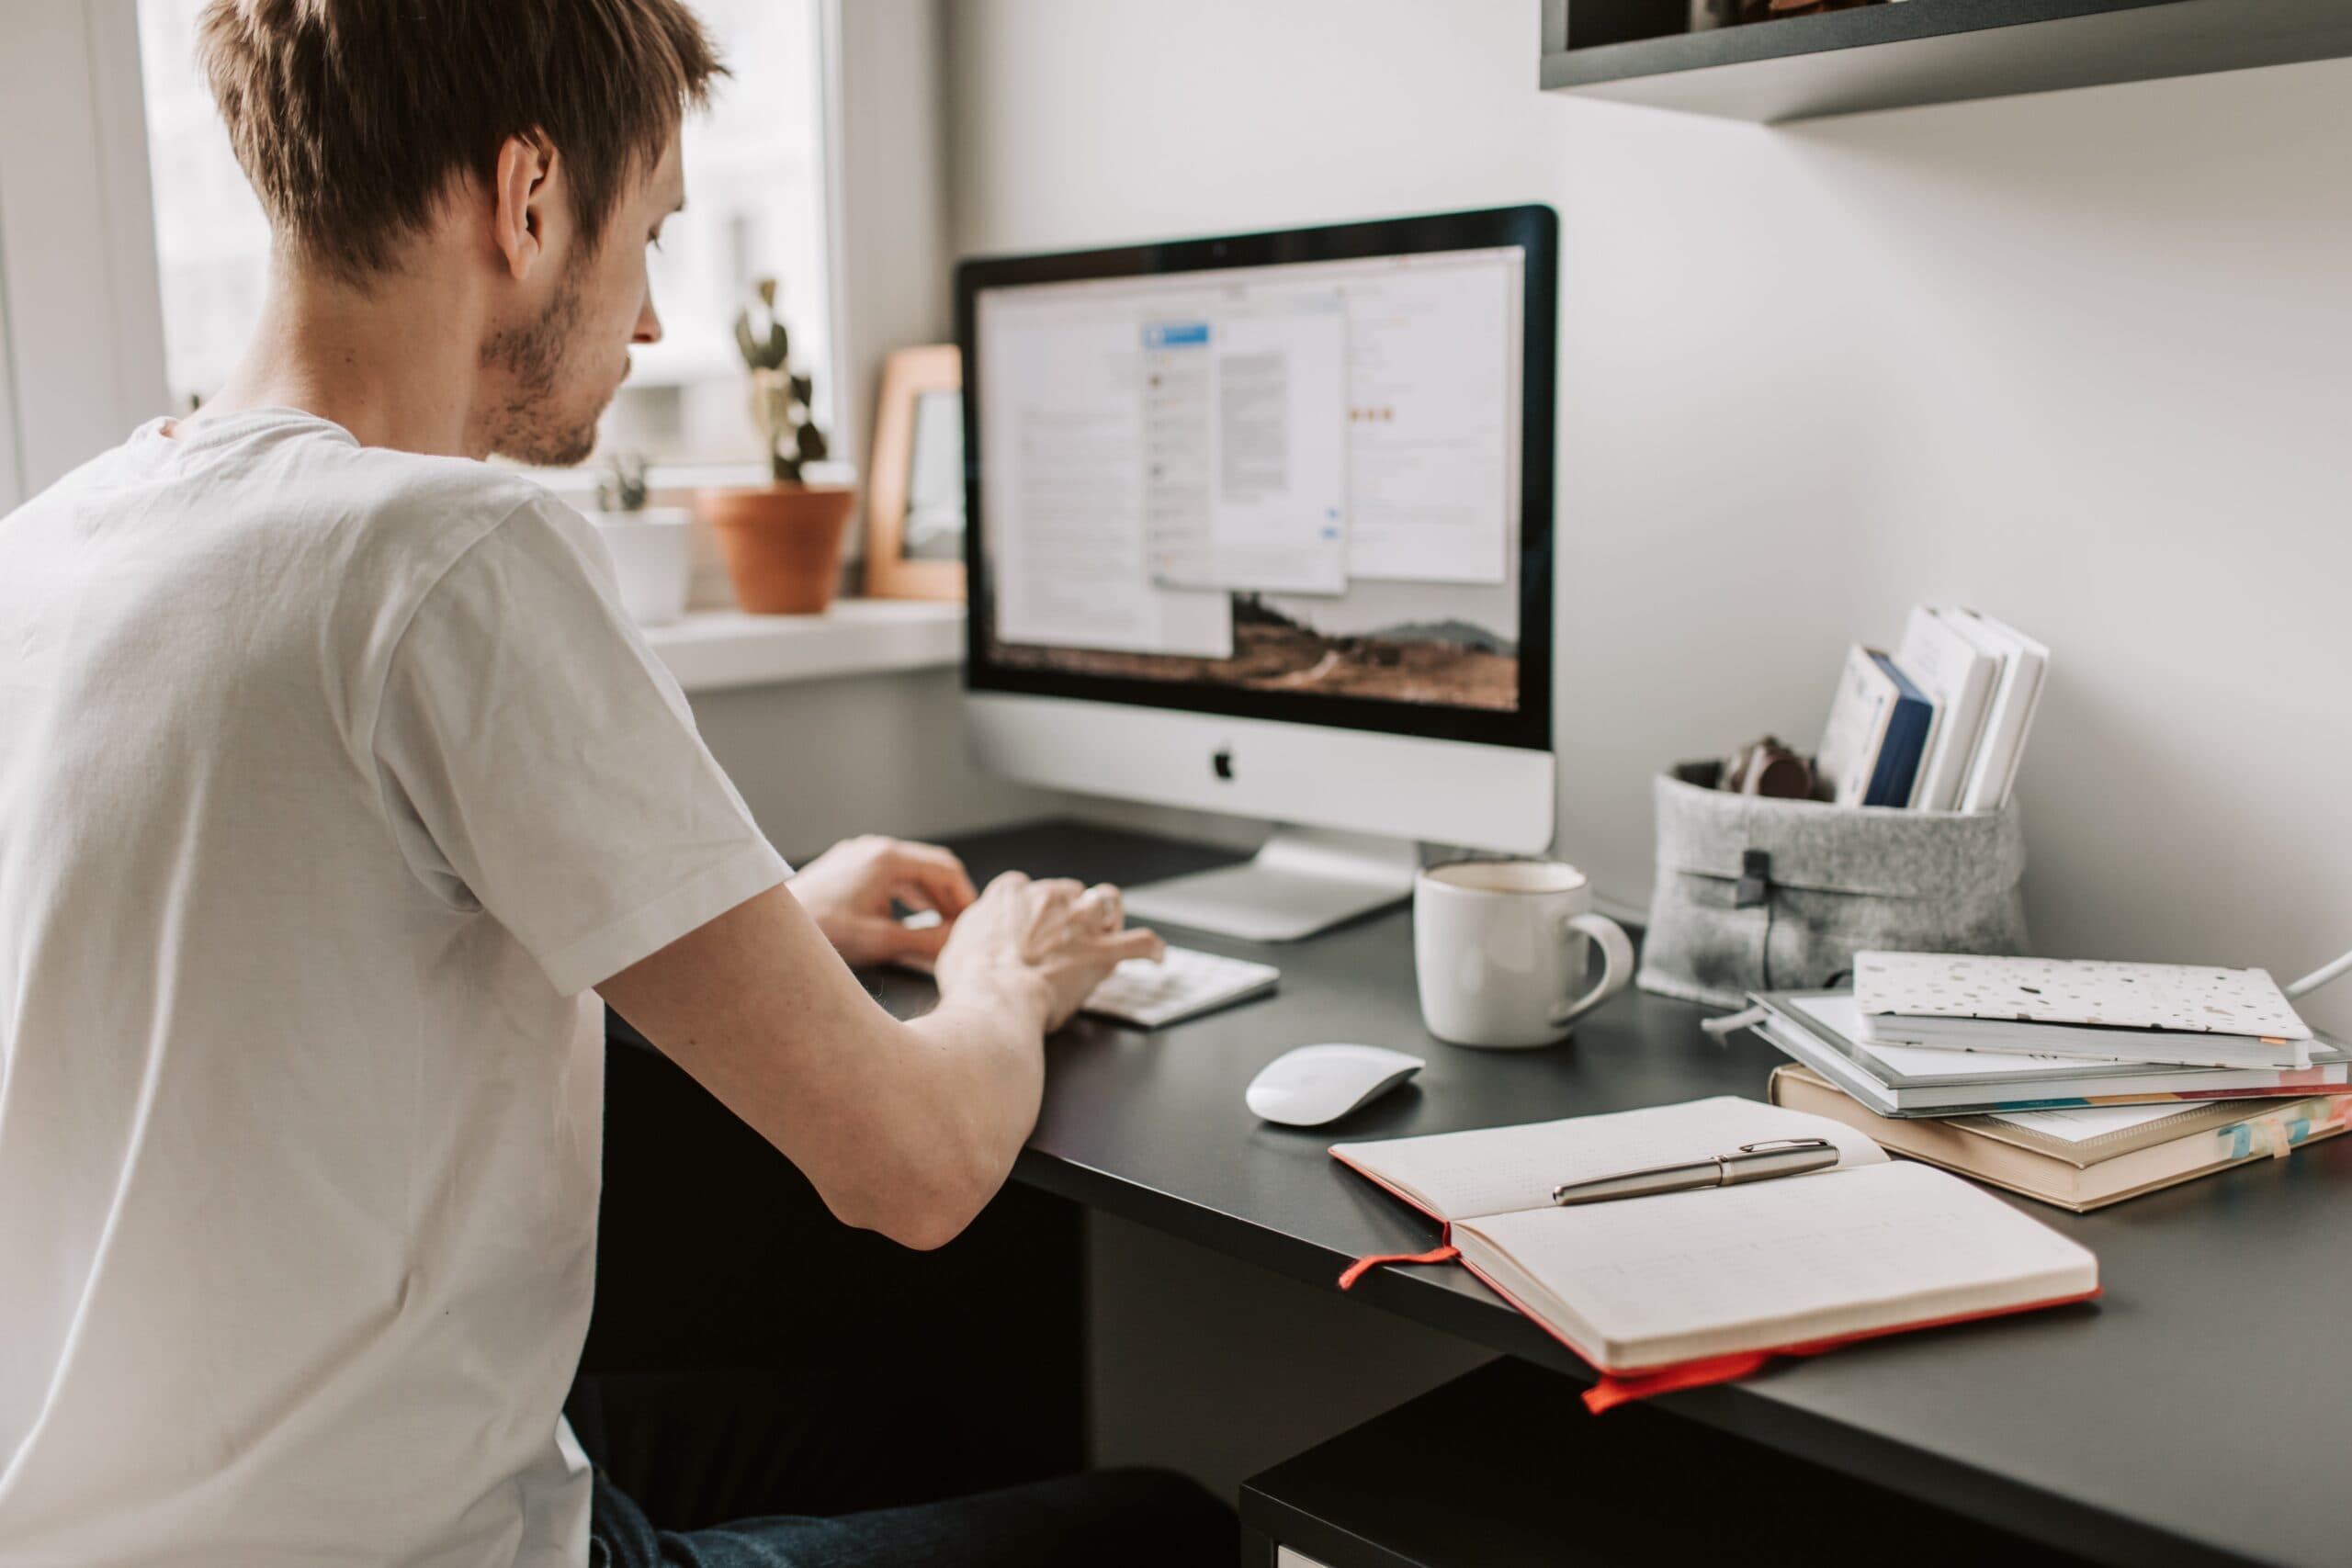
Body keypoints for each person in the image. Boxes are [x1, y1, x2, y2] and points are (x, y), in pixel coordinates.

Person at [0, 3, 1233, 1564]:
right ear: (527, 201)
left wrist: (767, 919)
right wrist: (1000, 982)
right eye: (647, 234)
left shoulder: (47, 550)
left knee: (888, 1427)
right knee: (1163, 1523)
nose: (651, 324)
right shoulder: (447, 553)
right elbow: (915, 1173)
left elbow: (278, 959)